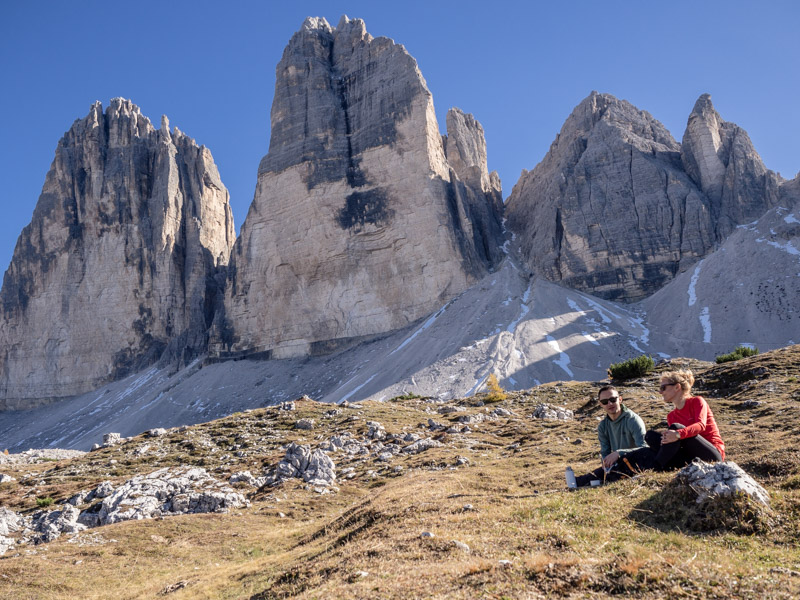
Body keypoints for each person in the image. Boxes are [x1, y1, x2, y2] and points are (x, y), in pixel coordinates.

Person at [645, 369, 725, 470]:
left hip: (712, 454)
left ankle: (656, 467)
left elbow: (700, 426)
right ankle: (662, 465)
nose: (660, 392)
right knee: (650, 436)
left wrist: (678, 434)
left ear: (677, 387)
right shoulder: (671, 416)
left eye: (663, 387)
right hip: (691, 456)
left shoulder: (697, 401)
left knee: (676, 428)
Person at [571, 385, 648, 487]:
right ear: (600, 404)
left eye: (613, 399)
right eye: (605, 402)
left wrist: (619, 453)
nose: (610, 404)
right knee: (584, 480)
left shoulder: (632, 420)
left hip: (637, 464)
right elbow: (605, 453)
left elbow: (645, 449)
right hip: (617, 466)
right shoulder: (603, 426)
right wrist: (606, 465)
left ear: (620, 399)